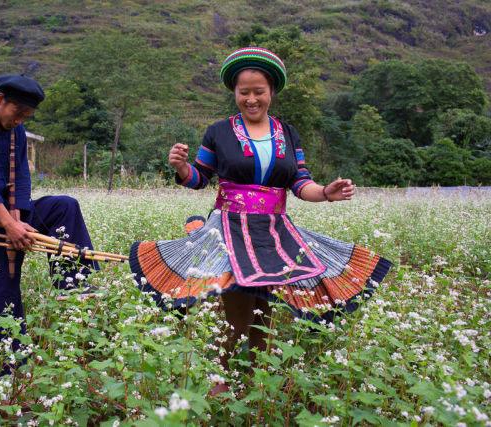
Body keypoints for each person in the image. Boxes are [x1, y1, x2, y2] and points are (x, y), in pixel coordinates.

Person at [129, 47, 392, 393]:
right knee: (238, 315)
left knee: (264, 315)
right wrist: (180, 166)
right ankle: (220, 383)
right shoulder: (219, 132)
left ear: (272, 93)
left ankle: (255, 384)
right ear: (234, 93)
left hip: (273, 232)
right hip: (230, 229)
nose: (251, 99)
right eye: (244, 92)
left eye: (259, 92)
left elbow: (300, 183)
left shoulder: (288, 133)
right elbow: (200, 177)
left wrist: (327, 192)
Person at [0, 74, 97, 375]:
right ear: (0, 100)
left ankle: (73, 283)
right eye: (18, 115)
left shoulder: (17, 132)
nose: (19, 122)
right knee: (0, 300)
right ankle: (8, 376)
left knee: (65, 206)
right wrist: (8, 224)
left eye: (26, 118)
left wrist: (18, 218)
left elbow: (22, 177)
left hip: (14, 217)